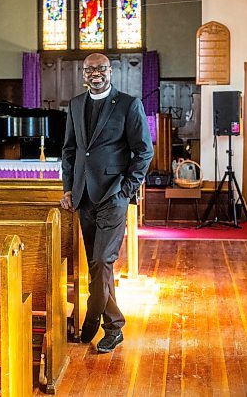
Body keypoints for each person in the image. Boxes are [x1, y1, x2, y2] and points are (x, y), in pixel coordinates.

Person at [60, 53, 153, 353]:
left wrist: (127, 188)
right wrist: (67, 189)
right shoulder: (75, 105)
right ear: (83, 74)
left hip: (114, 195)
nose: (96, 73)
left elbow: (144, 151)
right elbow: (70, 151)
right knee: (97, 266)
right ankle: (112, 325)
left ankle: (93, 320)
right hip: (84, 196)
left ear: (110, 72)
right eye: (90, 69)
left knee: (103, 261)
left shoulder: (128, 104)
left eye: (101, 68)